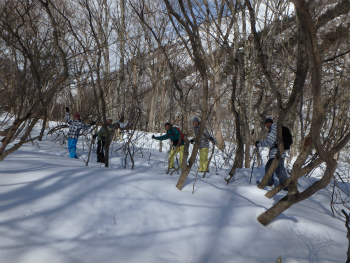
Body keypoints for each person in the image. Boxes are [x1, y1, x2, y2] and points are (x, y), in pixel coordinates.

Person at [255, 118, 288, 189]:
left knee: (279, 169)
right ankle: (269, 182)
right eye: (266, 123)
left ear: (271, 123)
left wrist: (259, 143)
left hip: (277, 153)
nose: (267, 124)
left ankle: (285, 186)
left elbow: (269, 142)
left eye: (269, 123)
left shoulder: (274, 129)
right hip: (277, 153)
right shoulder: (276, 129)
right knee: (269, 167)